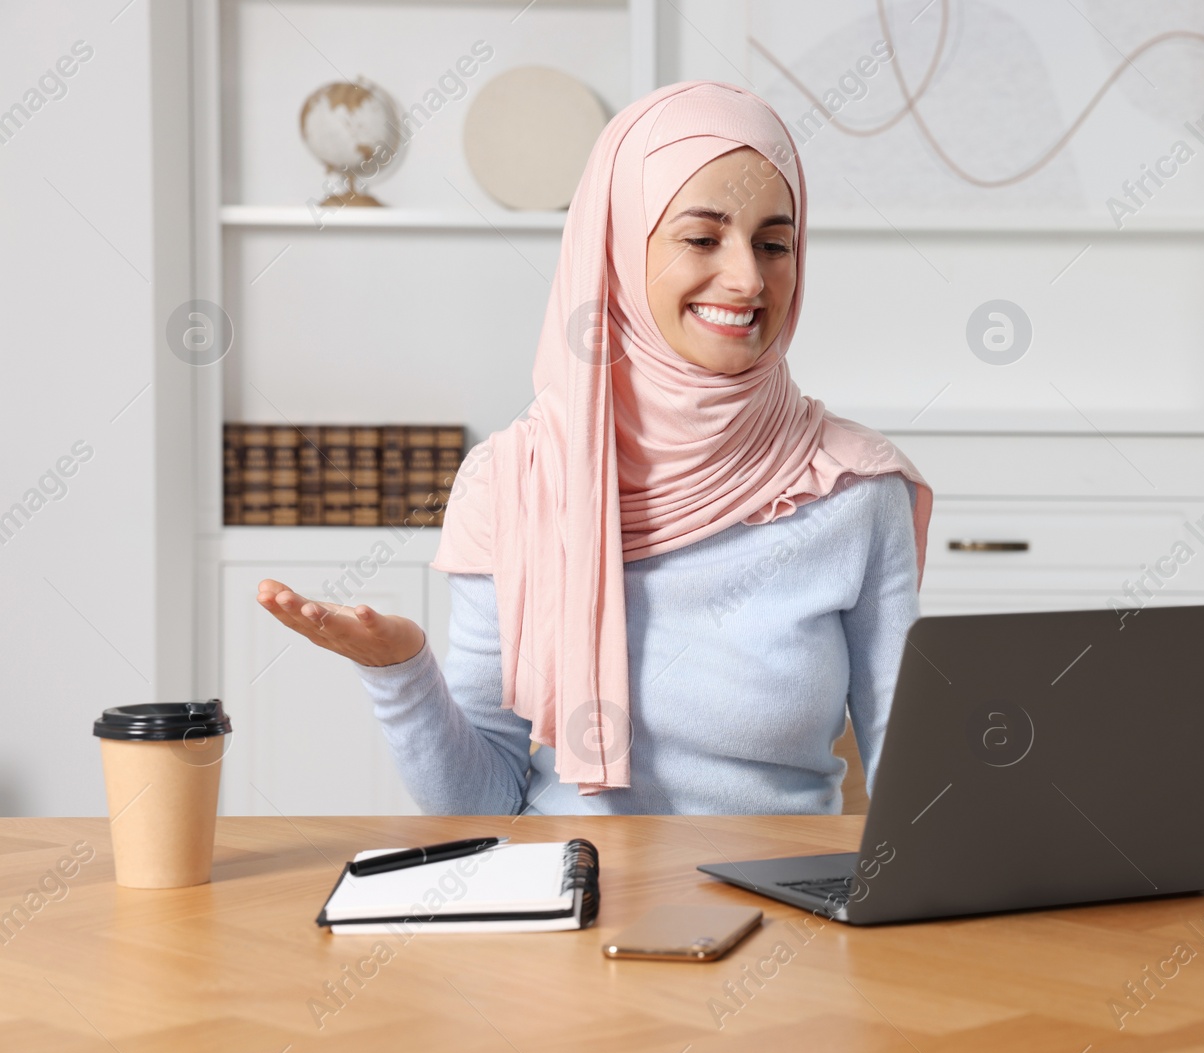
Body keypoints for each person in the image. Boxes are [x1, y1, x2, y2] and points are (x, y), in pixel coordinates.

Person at [256, 81, 934, 816]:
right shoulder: (514, 479)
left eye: (774, 243)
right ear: (617, 248)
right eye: (702, 238)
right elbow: (483, 803)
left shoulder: (855, 487)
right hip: (575, 899)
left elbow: (916, 776)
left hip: (782, 908)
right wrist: (401, 674)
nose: (747, 278)